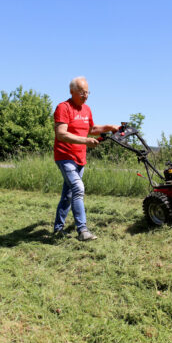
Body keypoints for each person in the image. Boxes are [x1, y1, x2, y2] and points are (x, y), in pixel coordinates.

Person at [53, 76, 119, 241]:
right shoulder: (63, 107)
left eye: (87, 92)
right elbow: (61, 134)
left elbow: (92, 128)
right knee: (78, 189)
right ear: (72, 91)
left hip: (80, 158)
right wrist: (85, 141)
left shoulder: (86, 109)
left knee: (68, 195)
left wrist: (110, 127)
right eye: (81, 92)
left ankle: (58, 229)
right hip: (65, 156)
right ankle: (82, 230)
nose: (85, 95)